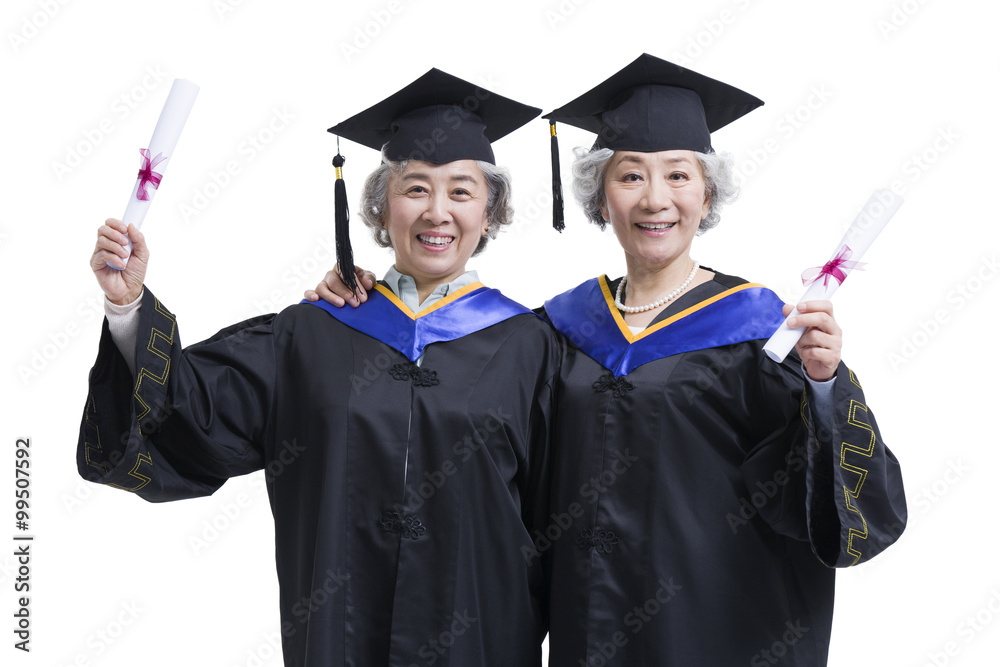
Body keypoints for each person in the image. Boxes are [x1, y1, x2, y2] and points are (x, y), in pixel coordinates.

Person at [309, 54, 907, 666]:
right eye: (630, 177)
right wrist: (369, 305)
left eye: (678, 176)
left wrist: (825, 382)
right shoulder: (556, 329)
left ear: (708, 195)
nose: (655, 200)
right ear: (602, 196)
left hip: (716, 633)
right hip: (586, 633)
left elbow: (841, 508)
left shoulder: (762, 332)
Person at [79, 69, 561, 667]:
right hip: (338, 641)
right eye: (415, 189)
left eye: (461, 192)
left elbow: (563, 524)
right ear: (382, 209)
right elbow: (188, 413)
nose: (438, 212)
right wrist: (127, 306)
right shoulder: (309, 334)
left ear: (489, 214)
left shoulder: (533, 347)